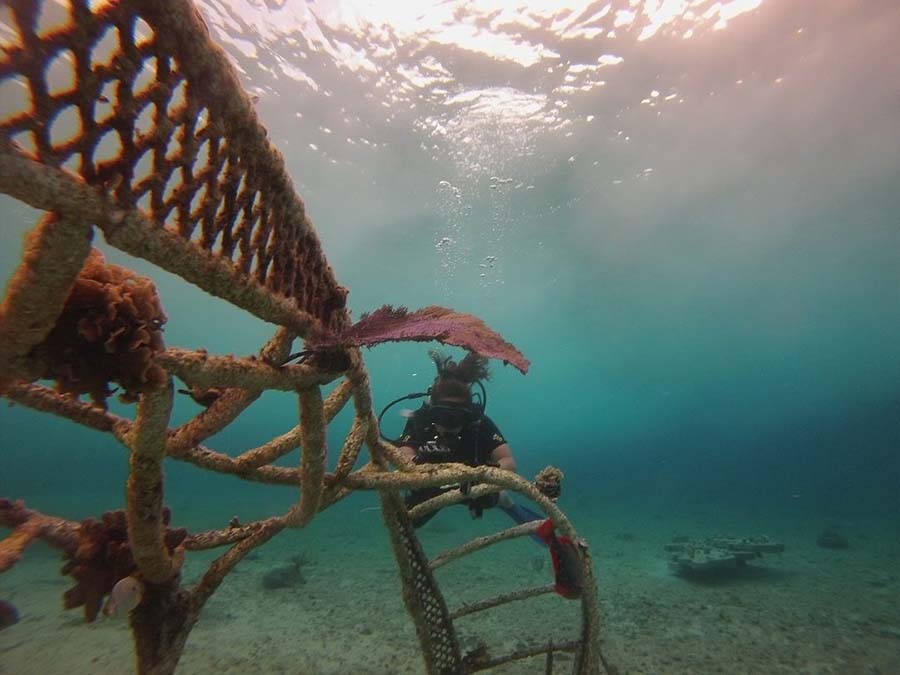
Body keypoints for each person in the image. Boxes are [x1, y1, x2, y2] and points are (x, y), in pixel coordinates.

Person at [398, 350, 516, 527]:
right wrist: (417, 465)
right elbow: (402, 457)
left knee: (489, 499)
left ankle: (504, 501)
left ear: (468, 415)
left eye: (458, 417)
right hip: (430, 485)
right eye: (442, 416)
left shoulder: (479, 423)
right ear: (432, 412)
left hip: (473, 487)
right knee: (406, 522)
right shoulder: (420, 420)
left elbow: (508, 462)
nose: (450, 426)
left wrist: (483, 473)